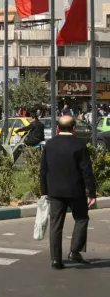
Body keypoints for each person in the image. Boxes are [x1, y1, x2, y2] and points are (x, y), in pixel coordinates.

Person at [40, 115, 97, 269]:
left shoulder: (50, 144)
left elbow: (43, 170)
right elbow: (87, 170)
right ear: (74, 128)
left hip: (55, 192)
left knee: (55, 225)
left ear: (57, 128)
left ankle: (55, 260)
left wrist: (44, 191)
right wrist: (91, 192)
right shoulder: (79, 145)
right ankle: (75, 251)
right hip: (76, 191)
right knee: (81, 219)